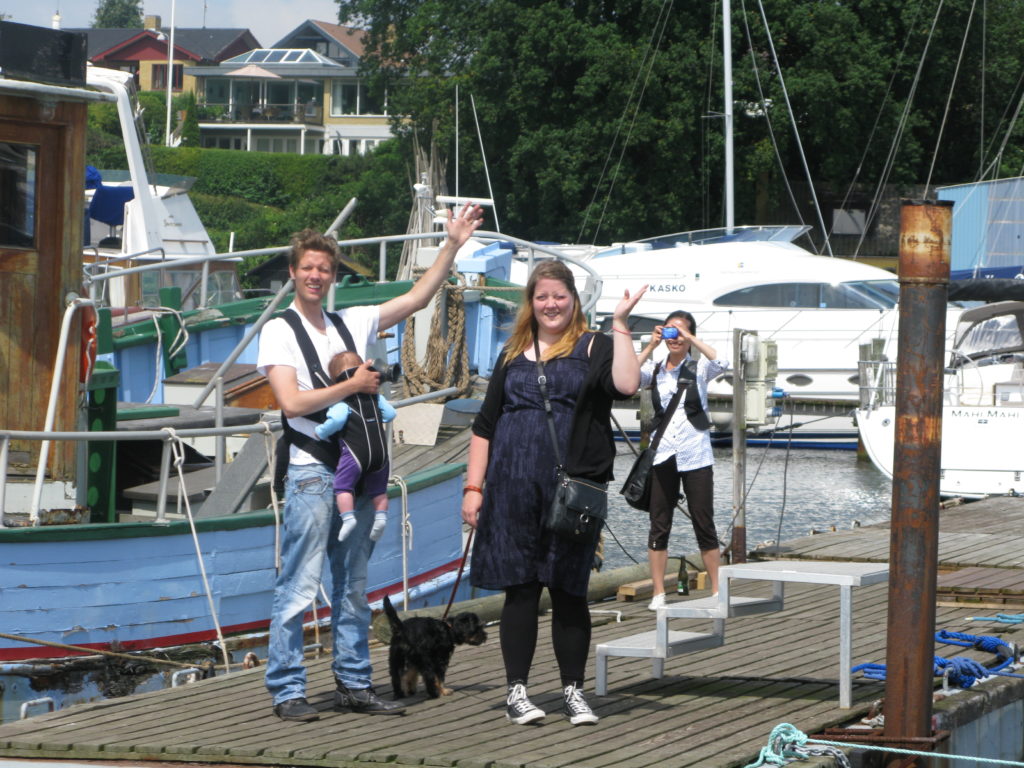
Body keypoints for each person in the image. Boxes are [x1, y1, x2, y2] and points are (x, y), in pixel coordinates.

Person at [259, 203, 483, 722]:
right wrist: (353, 385)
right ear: (293, 272)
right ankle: (288, 689)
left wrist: (451, 244)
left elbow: (417, 297)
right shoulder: (279, 331)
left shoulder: (351, 322)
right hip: (313, 470)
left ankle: (354, 683)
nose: (316, 276)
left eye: (325, 269)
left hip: (358, 471)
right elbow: (291, 404)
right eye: (308, 267)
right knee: (297, 584)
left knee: (354, 588)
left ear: (334, 275)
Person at [461, 259, 646, 727]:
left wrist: (620, 325)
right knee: (520, 590)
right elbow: (484, 427)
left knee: (568, 591)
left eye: (559, 296)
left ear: (573, 299)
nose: (550, 304)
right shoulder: (513, 352)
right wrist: (472, 487)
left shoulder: (594, 346)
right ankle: (517, 692)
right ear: (531, 302)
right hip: (512, 487)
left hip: (571, 489)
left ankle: (572, 691)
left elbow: (626, 385)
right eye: (541, 296)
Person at [636, 311, 729, 611]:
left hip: (696, 453)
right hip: (663, 452)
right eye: (670, 332)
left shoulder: (698, 368)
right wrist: (650, 345)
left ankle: (716, 589)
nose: (674, 338)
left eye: (680, 333)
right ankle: (658, 593)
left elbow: (722, 361)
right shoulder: (656, 369)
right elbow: (627, 376)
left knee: (704, 520)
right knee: (659, 523)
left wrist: (690, 339)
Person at [314, 350, 398, 546]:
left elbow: (336, 420)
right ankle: (381, 518)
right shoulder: (375, 398)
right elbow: (391, 414)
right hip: (380, 456)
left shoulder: (343, 401)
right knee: (379, 490)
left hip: (355, 455)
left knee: (343, 486)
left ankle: (348, 518)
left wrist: (320, 432)